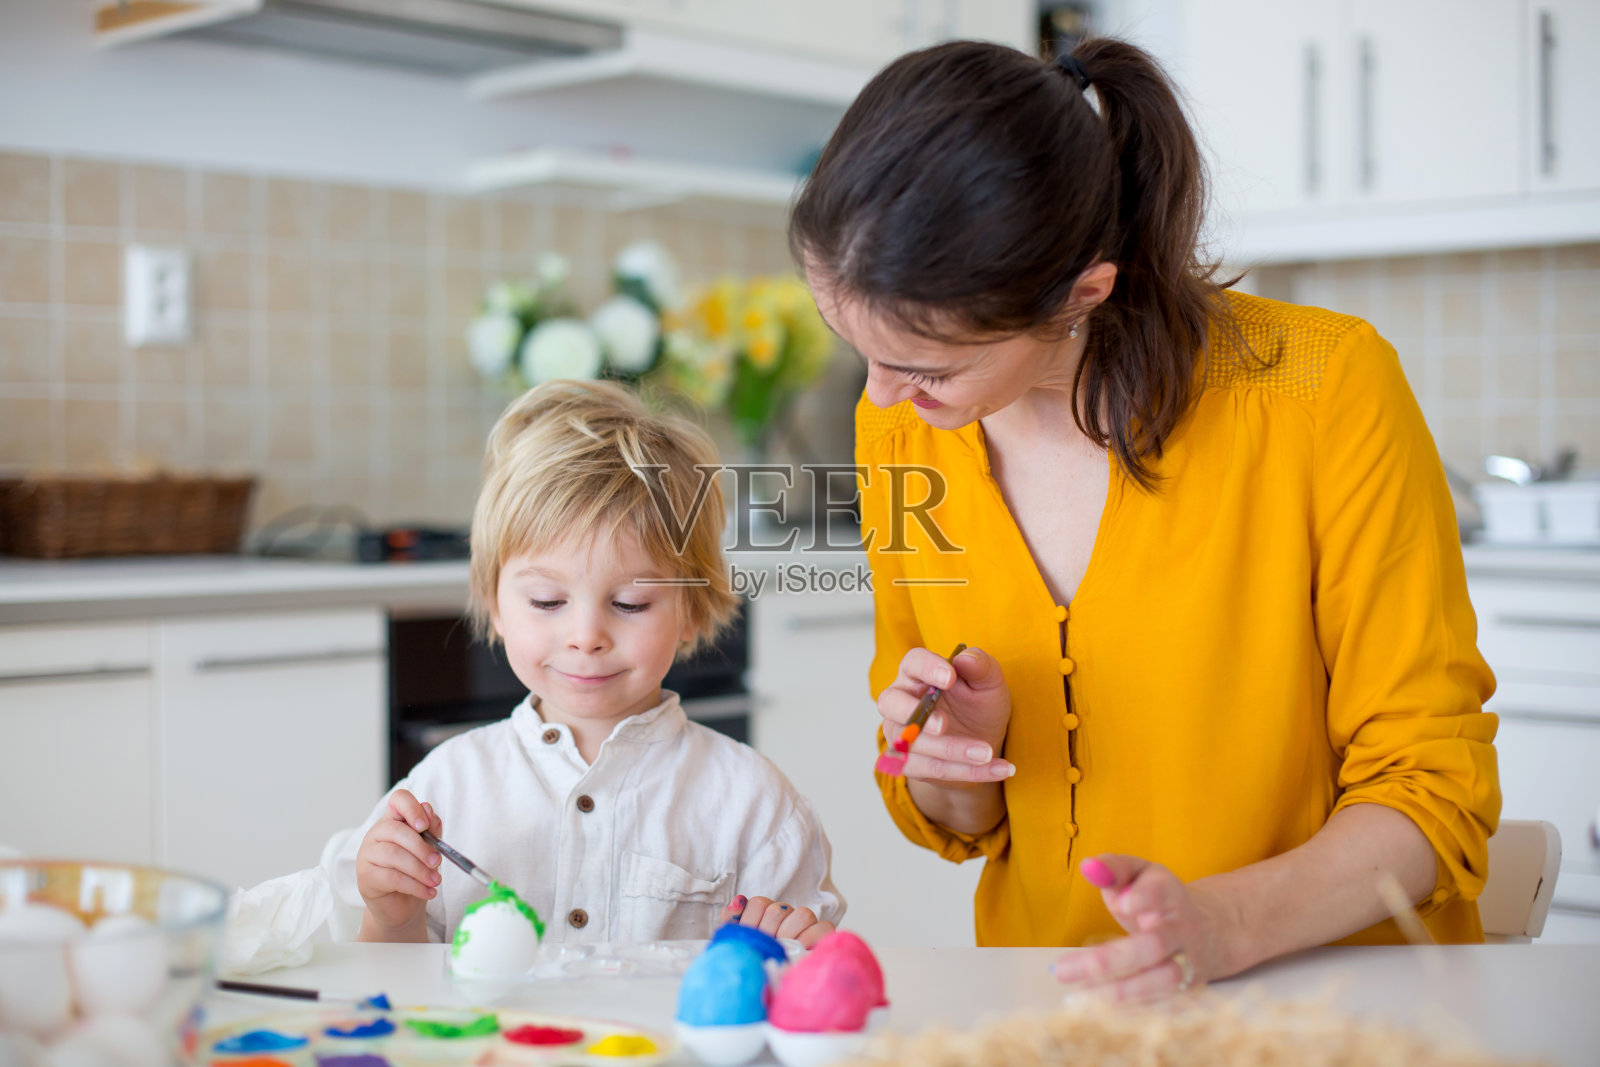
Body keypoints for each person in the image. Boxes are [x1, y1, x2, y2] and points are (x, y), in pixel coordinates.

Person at [788, 37, 1499, 998]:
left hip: (1331, 1009)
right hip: (1053, 1009)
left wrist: (1222, 924)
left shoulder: (1323, 390)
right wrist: (952, 757)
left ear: (1084, 291)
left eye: (929, 366)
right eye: (855, 345)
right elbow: (956, 818)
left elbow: (1433, 789)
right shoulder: (906, 435)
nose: (878, 400)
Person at [333, 380, 842, 948]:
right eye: (548, 602)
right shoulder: (444, 787)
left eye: (630, 604)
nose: (586, 636)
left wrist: (801, 952)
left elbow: (808, 998)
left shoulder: (755, 805)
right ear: (495, 604)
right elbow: (392, 995)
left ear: (693, 611)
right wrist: (391, 919)